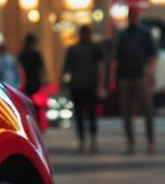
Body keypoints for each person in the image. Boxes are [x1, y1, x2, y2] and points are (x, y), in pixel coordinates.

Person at [112, 14, 158, 153]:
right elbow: (116, 57)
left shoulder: (144, 33)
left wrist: (149, 72)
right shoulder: (123, 34)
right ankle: (131, 142)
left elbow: (152, 55)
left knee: (147, 110)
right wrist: (113, 78)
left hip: (140, 76)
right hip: (125, 76)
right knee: (126, 112)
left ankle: (150, 141)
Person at [61, 24, 105, 152]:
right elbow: (67, 69)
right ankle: (86, 139)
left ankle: (87, 139)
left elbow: (66, 70)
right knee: (84, 114)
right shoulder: (81, 49)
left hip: (84, 85)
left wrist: (100, 84)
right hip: (81, 85)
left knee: (86, 114)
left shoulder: (86, 49)